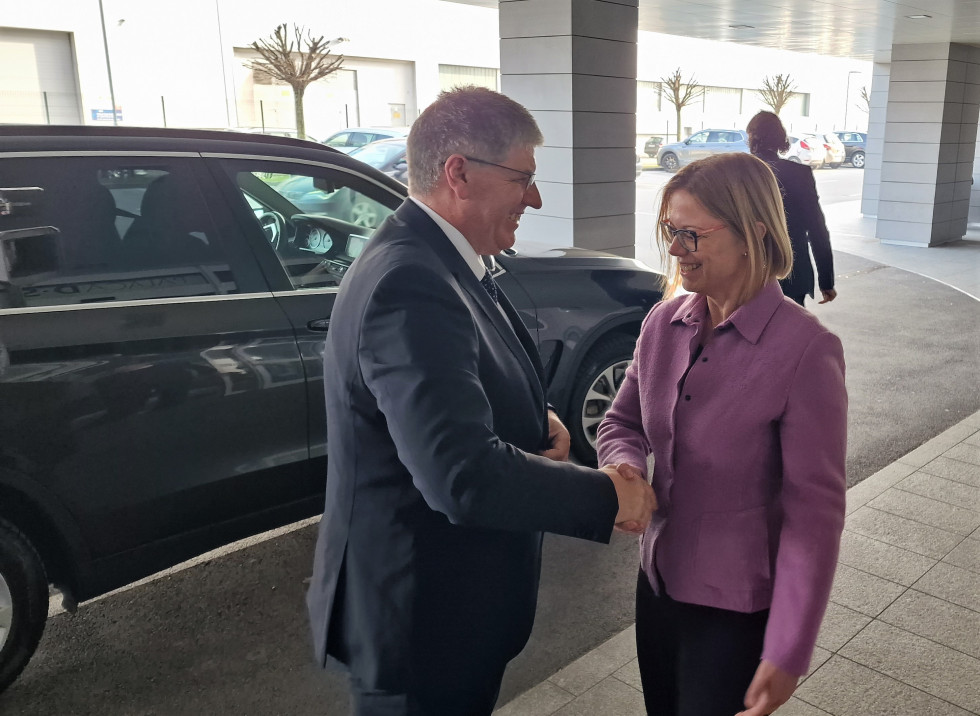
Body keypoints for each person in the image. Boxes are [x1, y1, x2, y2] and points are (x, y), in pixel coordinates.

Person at [305, 86, 656, 716]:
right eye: (523, 177)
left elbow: (458, 398)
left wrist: (533, 424)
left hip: (444, 615)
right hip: (420, 626)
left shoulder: (444, 260)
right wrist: (607, 495)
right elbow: (459, 475)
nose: (536, 197)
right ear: (459, 174)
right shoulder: (411, 280)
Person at [597, 152, 847, 716]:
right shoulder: (664, 322)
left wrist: (788, 648)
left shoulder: (807, 350)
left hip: (734, 610)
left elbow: (815, 516)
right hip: (656, 583)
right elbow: (622, 421)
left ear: (752, 234)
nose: (676, 249)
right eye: (669, 231)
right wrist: (625, 465)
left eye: (691, 234)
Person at [746, 110, 837, 306]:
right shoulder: (799, 173)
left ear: (751, 138)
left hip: (749, 270)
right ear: (781, 138)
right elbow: (817, 229)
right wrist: (826, 280)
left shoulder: (740, 171)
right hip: (793, 270)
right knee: (791, 331)